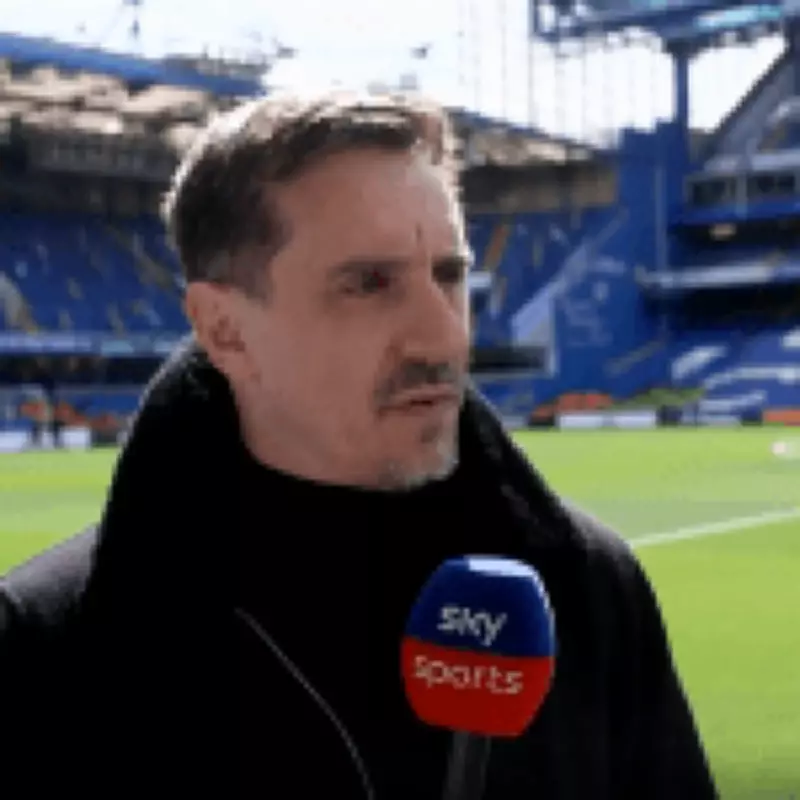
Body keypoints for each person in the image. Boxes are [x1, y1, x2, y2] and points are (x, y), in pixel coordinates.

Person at [0, 91, 718, 799]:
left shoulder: (590, 587)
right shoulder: (46, 646)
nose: (444, 336)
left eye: (450, 274)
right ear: (224, 329)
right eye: (369, 284)